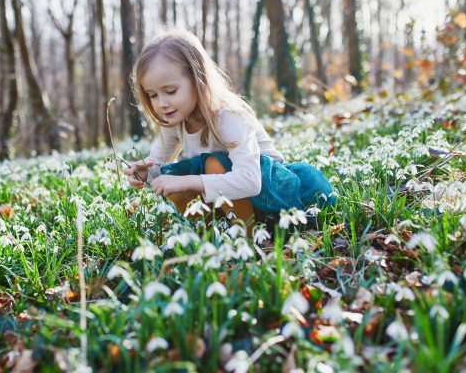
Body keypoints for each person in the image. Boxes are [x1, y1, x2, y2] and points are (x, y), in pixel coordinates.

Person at [123, 26, 334, 235]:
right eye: (152, 95)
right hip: (232, 201)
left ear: (198, 79)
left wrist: (185, 181)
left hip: (274, 197)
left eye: (170, 91)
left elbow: (251, 182)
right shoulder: (173, 120)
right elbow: (159, 166)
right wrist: (146, 173)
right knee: (174, 186)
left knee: (211, 165)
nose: (162, 103)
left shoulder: (227, 116)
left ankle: (247, 238)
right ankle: (219, 236)